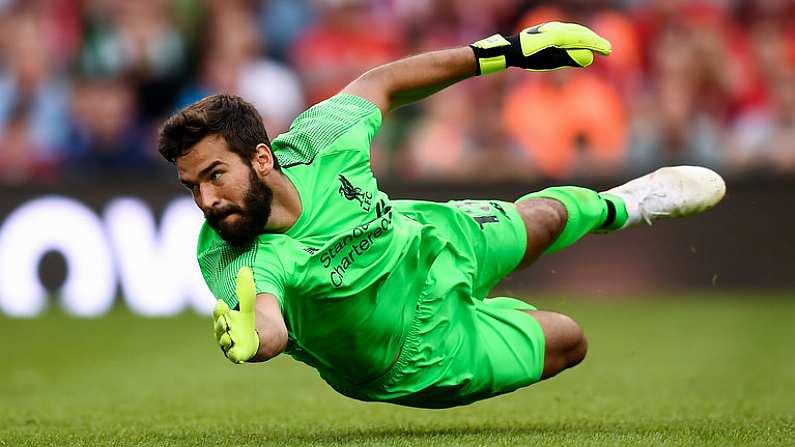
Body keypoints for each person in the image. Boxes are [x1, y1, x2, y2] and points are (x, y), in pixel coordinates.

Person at [158, 22, 725, 408]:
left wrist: (509, 51)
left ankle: (628, 204)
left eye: (215, 176)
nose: (207, 201)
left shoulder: (318, 140)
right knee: (569, 341)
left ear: (262, 158)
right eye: (192, 187)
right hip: (418, 351)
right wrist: (255, 341)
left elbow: (382, 82)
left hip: (425, 239)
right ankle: (485, 317)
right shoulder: (231, 252)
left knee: (546, 219)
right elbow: (268, 317)